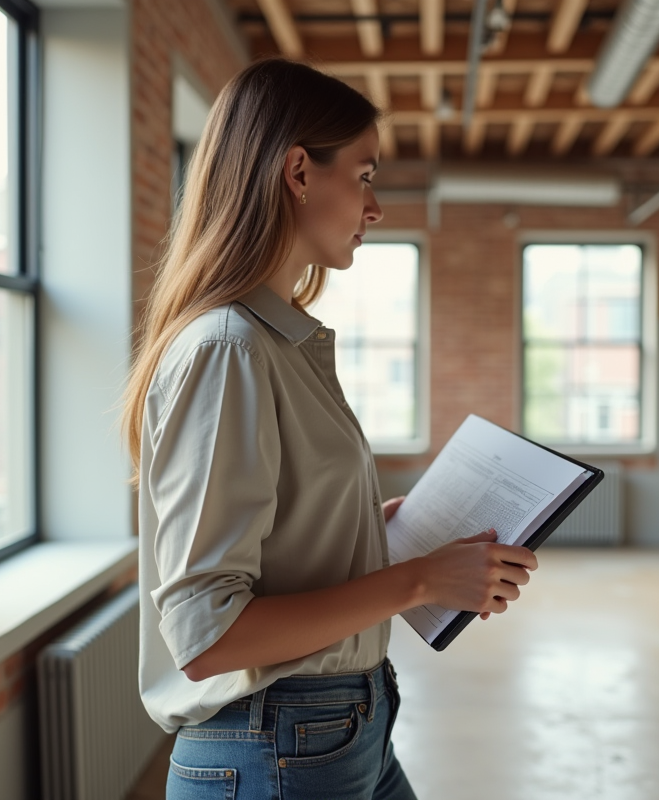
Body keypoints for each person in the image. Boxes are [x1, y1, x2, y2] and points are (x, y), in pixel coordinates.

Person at [121, 58, 539, 800]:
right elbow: (208, 634)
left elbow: (278, 538)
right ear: (298, 171)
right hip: (276, 745)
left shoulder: (275, 342)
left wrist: (374, 530)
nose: (374, 207)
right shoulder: (229, 349)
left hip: (338, 731)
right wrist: (417, 579)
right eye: (366, 174)